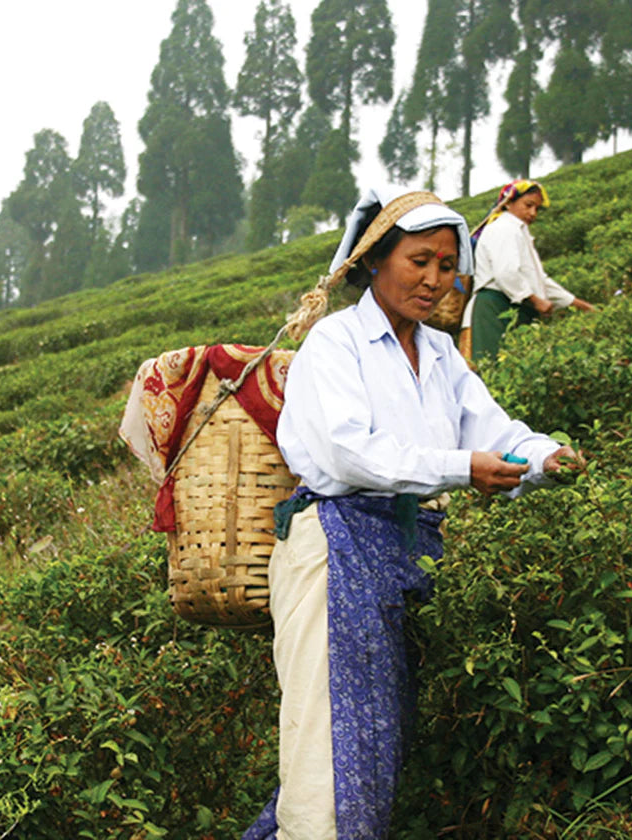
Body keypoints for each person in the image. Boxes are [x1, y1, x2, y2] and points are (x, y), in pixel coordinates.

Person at [242, 185, 583, 840]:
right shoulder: (336, 342)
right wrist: (462, 469)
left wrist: (546, 459)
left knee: (365, 756)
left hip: (404, 557)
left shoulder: (440, 354)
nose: (434, 279)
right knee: (328, 764)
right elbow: (347, 454)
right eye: (419, 260)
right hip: (332, 551)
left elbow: (494, 430)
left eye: (447, 264)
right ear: (376, 261)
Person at [460, 178, 595, 362]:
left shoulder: (518, 231)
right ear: (509, 204)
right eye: (528, 205)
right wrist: (535, 300)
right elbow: (506, 273)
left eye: (537, 208)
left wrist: (579, 305)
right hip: (493, 310)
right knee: (489, 370)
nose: (533, 213)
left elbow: (540, 281)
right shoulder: (504, 228)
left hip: (512, 308)